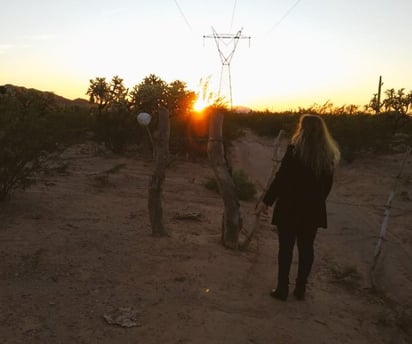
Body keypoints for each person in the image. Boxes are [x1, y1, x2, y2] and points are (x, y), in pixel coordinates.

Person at [256, 114, 340, 301]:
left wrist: (266, 201)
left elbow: (281, 179)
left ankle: (282, 289)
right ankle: (300, 289)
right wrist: (316, 202)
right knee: (306, 248)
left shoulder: (294, 150)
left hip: (289, 207)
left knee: (285, 248)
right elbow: (327, 186)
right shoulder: (328, 155)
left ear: (303, 129)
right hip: (312, 210)